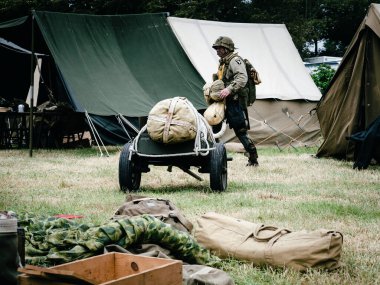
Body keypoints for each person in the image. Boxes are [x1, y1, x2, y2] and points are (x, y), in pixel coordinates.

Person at [212, 36, 259, 166]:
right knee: (213, 125)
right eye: (216, 48)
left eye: (219, 48)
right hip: (223, 101)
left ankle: (253, 158)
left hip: (235, 101)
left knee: (240, 130)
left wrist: (229, 89)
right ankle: (212, 156)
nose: (217, 50)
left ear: (226, 49)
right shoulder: (223, 62)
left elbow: (242, 78)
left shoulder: (235, 60)